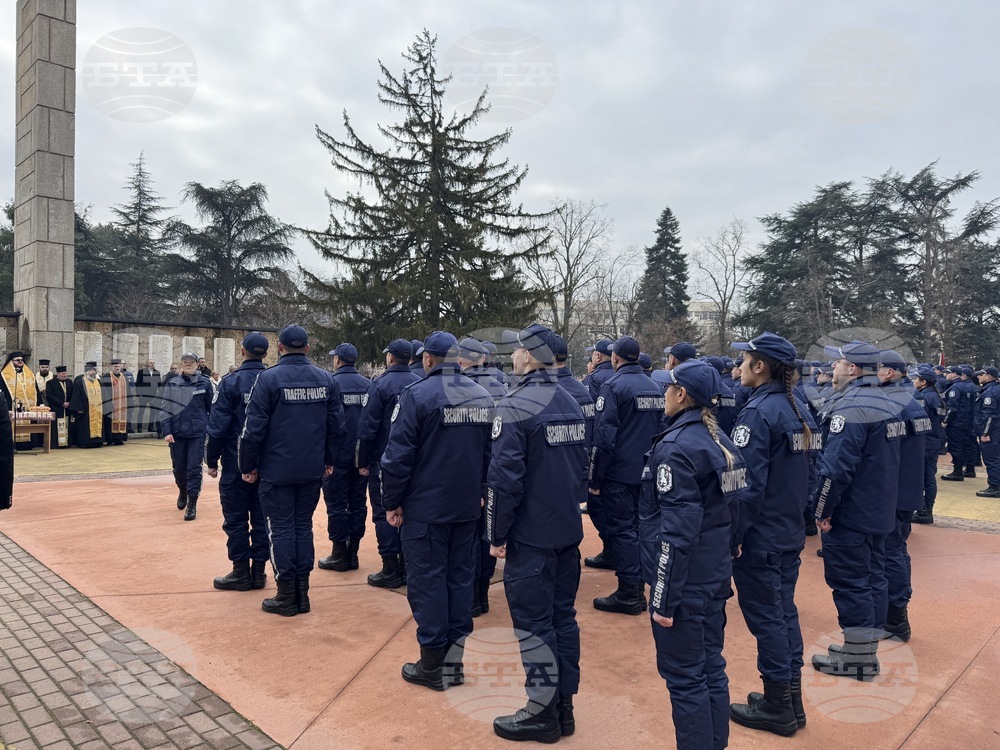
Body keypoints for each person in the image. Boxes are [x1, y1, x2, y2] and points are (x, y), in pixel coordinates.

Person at [486, 324, 587, 742]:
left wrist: (496, 534)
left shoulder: (515, 405)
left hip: (532, 536)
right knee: (563, 619)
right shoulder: (572, 400)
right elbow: (580, 469)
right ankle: (563, 708)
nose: (512, 356)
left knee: (534, 625)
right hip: (565, 530)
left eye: (516, 351)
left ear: (528, 355)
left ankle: (542, 713)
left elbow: (503, 481)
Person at [640, 359, 746, 750]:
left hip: (686, 581)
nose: (664, 395)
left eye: (668, 389)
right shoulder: (721, 440)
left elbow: (676, 532)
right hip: (712, 573)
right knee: (711, 666)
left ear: (681, 394)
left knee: (686, 677)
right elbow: (737, 509)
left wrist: (664, 600)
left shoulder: (676, 447)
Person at [380, 331, 493, 690]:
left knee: (428, 583)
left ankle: (432, 664)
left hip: (426, 510)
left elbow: (397, 458)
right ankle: (454, 664)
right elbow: (490, 456)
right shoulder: (482, 395)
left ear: (427, 359)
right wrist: (480, 493)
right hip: (465, 508)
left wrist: (391, 502)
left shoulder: (416, 395)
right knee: (459, 580)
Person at [726, 333, 817, 737]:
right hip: (787, 530)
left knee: (768, 619)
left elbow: (748, 486)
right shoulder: (798, 408)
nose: (739, 367)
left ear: (760, 366)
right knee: (783, 613)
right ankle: (790, 699)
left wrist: (736, 534)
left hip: (762, 535)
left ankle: (778, 705)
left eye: (744, 360)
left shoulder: (759, 412)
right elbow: (812, 474)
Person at [239, 324, 346, 616]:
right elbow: (338, 427)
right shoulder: (325, 379)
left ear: (280, 347)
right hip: (311, 468)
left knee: (282, 529)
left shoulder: (268, 379)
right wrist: (329, 460)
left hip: (277, 470)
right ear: (307, 348)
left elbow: (252, 430)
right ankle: (301, 594)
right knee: (302, 527)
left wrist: (247, 465)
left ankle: (287, 595)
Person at [811, 341, 901, 680]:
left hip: (853, 512)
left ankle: (859, 658)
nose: (832, 369)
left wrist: (822, 509)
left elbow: (836, 468)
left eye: (838, 363)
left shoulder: (852, 405)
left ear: (852, 368)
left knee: (851, 584)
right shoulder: (884, 399)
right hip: (877, 508)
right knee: (873, 579)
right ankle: (862, 650)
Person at [589, 336, 666, 615]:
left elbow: (604, 439)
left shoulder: (613, 386)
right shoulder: (654, 386)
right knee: (641, 529)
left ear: (615, 358)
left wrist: (595, 479)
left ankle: (630, 592)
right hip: (647, 472)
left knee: (622, 531)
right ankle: (640, 586)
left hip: (619, 474)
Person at [205, 333, 270, 592]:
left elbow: (217, 427)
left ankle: (241, 571)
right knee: (262, 520)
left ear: (242, 351)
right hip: (267, 463)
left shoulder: (230, 383)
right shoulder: (272, 379)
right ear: (266, 353)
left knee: (236, 519)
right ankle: (259, 571)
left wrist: (211, 460)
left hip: (236, 462)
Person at [356, 339, 420, 589]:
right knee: (409, 511)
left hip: (384, 461)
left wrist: (362, 461)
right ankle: (406, 565)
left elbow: (367, 429)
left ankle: (391, 567)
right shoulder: (419, 383)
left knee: (384, 512)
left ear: (391, 358)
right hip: (413, 462)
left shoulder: (380, 385)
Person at [877, 350, 930, 643]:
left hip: (894, 492)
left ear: (889, 373)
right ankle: (894, 615)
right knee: (896, 551)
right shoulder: (910, 399)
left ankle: (895, 619)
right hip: (906, 488)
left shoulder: (895, 403)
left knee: (891, 553)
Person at [456, 336, 507, 617]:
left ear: (460, 360)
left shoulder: (458, 389)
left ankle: (472, 598)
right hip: (498, 472)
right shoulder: (503, 387)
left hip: (469, 474)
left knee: (469, 539)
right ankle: (482, 595)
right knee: (488, 533)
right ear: (484, 359)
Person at [317, 343, 371, 573]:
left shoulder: (331, 383)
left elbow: (324, 421)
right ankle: (353, 552)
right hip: (361, 455)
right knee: (358, 502)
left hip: (336, 455)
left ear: (338, 360)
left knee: (337, 505)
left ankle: (339, 552)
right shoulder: (369, 385)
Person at [160, 353, 213, 521]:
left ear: (197, 364)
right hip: (177, 433)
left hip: (197, 432)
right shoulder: (173, 382)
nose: (188, 364)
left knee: (194, 468)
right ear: (181, 364)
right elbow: (165, 408)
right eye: (185, 362)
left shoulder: (205, 383)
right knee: (179, 468)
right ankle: (182, 489)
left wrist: (211, 430)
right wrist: (167, 431)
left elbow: (212, 408)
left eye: (191, 362)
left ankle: (192, 503)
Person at [912, 365, 946, 523]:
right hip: (933, 440)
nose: (913, 381)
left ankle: (925, 511)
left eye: (916, 379)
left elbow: (919, 420)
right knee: (929, 476)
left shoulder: (924, 397)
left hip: (925, 442)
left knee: (925, 477)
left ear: (923, 381)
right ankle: (926, 509)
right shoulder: (936, 395)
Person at [941, 366, 978, 481]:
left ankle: (957, 471)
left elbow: (952, 407)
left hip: (956, 422)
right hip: (968, 421)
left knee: (955, 446)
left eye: (948, 373)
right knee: (969, 445)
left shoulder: (955, 388)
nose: (946, 375)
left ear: (954, 374)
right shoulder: (967, 386)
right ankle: (970, 469)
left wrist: (945, 420)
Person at [975, 366, 1000, 497]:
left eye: (981, 374)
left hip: (992, 432)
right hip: (996, 430)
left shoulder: (990, 392)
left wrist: (985, 433)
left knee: (991, 459)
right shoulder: (995, 389)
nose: (978, 376)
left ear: (989, 376)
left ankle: (995, 486)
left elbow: (989, 415)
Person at [68, 362, 104, 448]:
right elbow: (76, 396)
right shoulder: (80, 382)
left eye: (94, 371)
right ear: (86, 372)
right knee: (85, 427)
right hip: (85, 409)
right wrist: (78, 408)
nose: (93, 373)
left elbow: (104, 395)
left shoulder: (98, 382)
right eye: (91, 371)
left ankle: (97, 441)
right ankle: (85, 443)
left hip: (98, 410)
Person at [101, 359, 132, 445]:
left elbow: (128, 391)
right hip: (111, 405)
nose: (117, 368)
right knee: (109, 422)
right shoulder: (106, 377)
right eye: (115, 366)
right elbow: (104, 392)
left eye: (118, 366)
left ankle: (119, 439)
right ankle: (110, 439)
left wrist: (130, 403)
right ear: (111, 367)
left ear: (121, 366)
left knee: (121, 420)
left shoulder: (124, 378)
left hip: (122, 405)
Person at [45, 366, 74, 449]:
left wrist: (69, 403)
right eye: (63, 373)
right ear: (57, 374)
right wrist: (62, 403)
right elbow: (50, 396)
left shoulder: (69, 382)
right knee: (56, 427)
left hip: (67, 408)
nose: (65, 375)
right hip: (56, 408)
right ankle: (56, 444)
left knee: (67, 425)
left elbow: (73, 394)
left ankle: (66, 443)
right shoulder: (50, 383)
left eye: (66, 373)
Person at [135, 360, 162, 434]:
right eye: (150, 363)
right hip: (143, 395)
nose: (152, 364)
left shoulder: (157, 372)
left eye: (153, 363)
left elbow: (159, 384)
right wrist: (139, 394)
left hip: (153, 395)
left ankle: (150, 427)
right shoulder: (141, 371)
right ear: (147, 364)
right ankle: (139, 427)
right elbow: (137, 383)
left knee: (153, 412)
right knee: (141, 411)